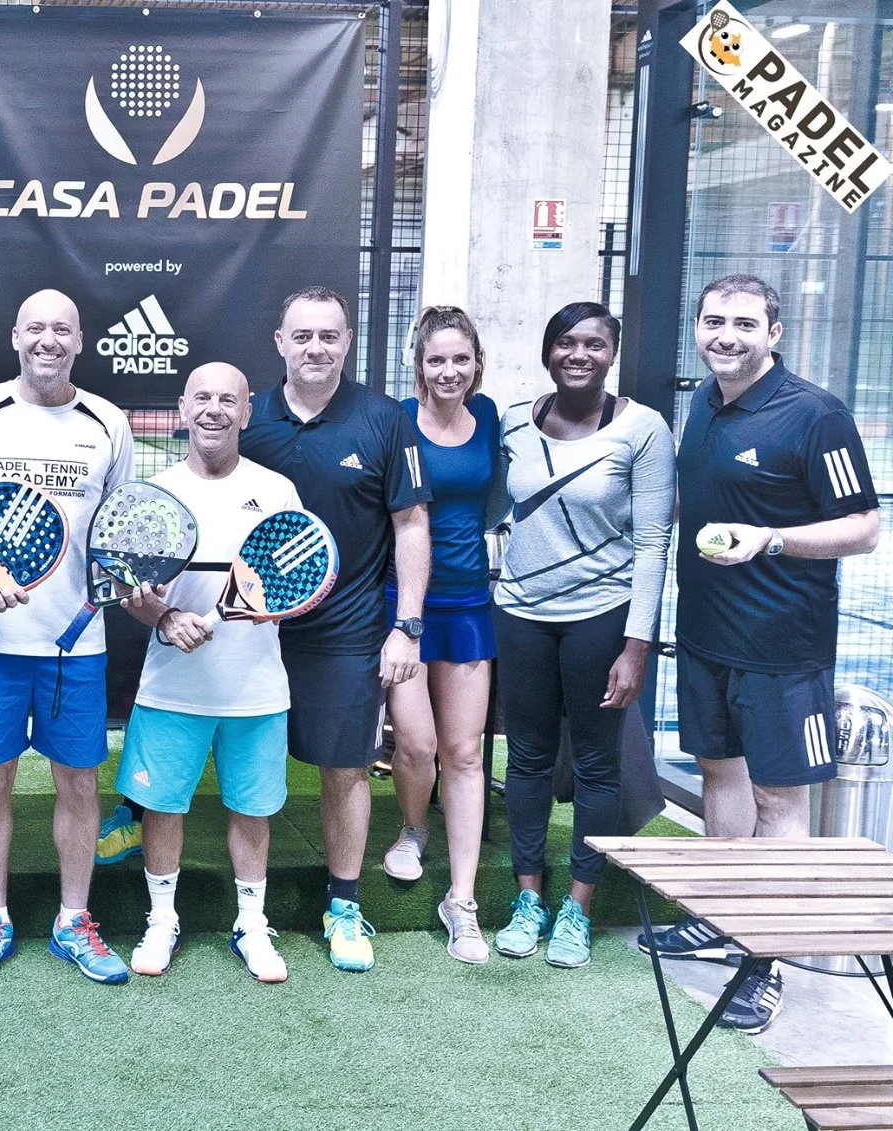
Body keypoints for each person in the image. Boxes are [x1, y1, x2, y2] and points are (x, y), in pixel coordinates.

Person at [640, 273, 878, 1034]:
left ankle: (763, 960)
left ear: (774, 331)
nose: (726, 335)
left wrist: (772, 540)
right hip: (708, 638)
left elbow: (865, 526)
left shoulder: (816, 415)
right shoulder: (703, 405)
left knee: (780, 802)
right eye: (714, 321)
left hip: (785, 649)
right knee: (720, 777)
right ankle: (720, 918)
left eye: (744, 323)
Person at [238, 286, 432, 974]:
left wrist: (406, 626)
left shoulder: (383, 420)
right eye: (303, 335)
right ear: (280, 343)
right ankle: (245, 908)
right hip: (249, 626)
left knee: (345, 769)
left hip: (347, 629)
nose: (316, 347)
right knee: (240, 764)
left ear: (347, 342)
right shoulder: (247, 417)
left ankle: (344, 905)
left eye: (330, 335)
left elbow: (411, 525)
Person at [0, 289, 136, 986]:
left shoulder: (108, 422)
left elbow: (117, 533)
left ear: (80, 341)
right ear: (14, 336)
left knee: (79, 784)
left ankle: (73, 920)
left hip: (75, 646)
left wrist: (110, 593)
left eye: (61, 329)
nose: (48, 339)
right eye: (36, 327)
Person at [488, 301, 673, 970]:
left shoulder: (642, 429)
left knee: (597, 765)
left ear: (611, 354)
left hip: (601, 616)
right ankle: (528, 899)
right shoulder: (513, 421)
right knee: (529, 760)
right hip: (522, 614)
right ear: (547, 350)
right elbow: (489, 504)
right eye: (566, 342)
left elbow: (654, 540)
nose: (578, 354)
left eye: (593, 343)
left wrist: (636, 643)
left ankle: (578, 907)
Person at [116, 362, 301, 982]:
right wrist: (165, 617)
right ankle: (162, 920)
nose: (214, 409)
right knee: (163, 807)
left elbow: (292, 579)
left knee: (252, 810)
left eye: (229, 400)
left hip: (256, 688)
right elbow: (129, 592)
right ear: (183, 408)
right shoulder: (156, 493)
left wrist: (260, 604)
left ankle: (250, 925)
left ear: (248, 413)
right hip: (172, 687)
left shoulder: (275, 491)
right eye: (203, 398)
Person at [375, 306, 502, 965]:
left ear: (476, 361)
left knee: (466, 751)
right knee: (418, 745)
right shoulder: (397, 422)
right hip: (406, 606)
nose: (449, 371)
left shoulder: (492, 421)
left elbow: (498, 501)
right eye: (437, 360)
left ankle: (463, 900)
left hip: (471, 606)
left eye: (461, 358)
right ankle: (414, 827)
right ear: (417, 363)